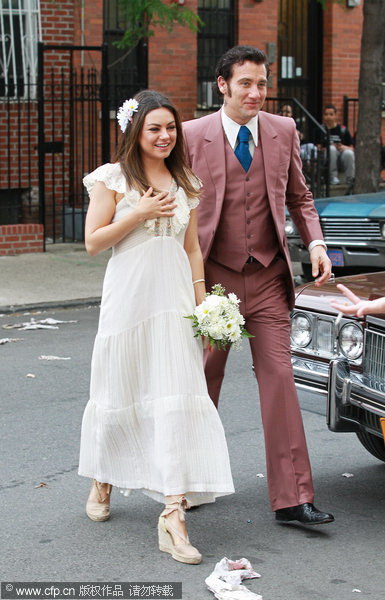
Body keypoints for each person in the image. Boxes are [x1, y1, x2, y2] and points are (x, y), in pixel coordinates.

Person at [78, 89, 234, 565]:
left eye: (171, 128)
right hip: (128, 302)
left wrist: (203, 304)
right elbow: (92, 242)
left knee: (175, 396)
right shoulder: (113, 179)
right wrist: (140, 213)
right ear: (135, 131)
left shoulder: (186, 181)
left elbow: (191, 249)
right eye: (155, 128)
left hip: (173, 305)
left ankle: (172, 514)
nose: (165, 136)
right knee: (119, 389)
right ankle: (104, 476)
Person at [183, 45, 334, 525]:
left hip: (268, 276)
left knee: (280, 379)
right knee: (205, 379)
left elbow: (300, 196)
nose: (256, 92)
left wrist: (315, 245)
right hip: (215, 281)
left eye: (262, 83)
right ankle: (188, 481)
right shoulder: (191, 135)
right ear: (222, 85)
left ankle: (293, 498)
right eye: (245, 83)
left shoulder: (283, 130)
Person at [319, 104, 355, 185]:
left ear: (335, 115)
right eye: (326, 114)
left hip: (341, 157)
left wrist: (343, 147)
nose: (328, 117)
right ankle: (332, 177)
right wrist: (329, 147)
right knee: (331, 149)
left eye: (331, 114)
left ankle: (350, 178)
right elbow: (317, 148)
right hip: (327, 158)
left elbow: (352, 147)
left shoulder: (343, 130)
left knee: (349, 153)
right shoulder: (320, 129)